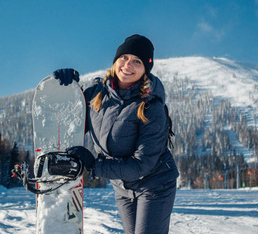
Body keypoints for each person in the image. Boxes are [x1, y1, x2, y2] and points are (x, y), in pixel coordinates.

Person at [54, 34, 179, 234]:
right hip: (122, 187)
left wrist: (94, 165)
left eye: (137, 61)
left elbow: (142, 164)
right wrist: (66, 89)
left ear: (145, 69)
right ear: (115, 61)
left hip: (155, 184)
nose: (128, 65)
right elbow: (72, 124)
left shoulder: (151, 107)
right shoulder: (96, 94)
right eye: (124, 58)